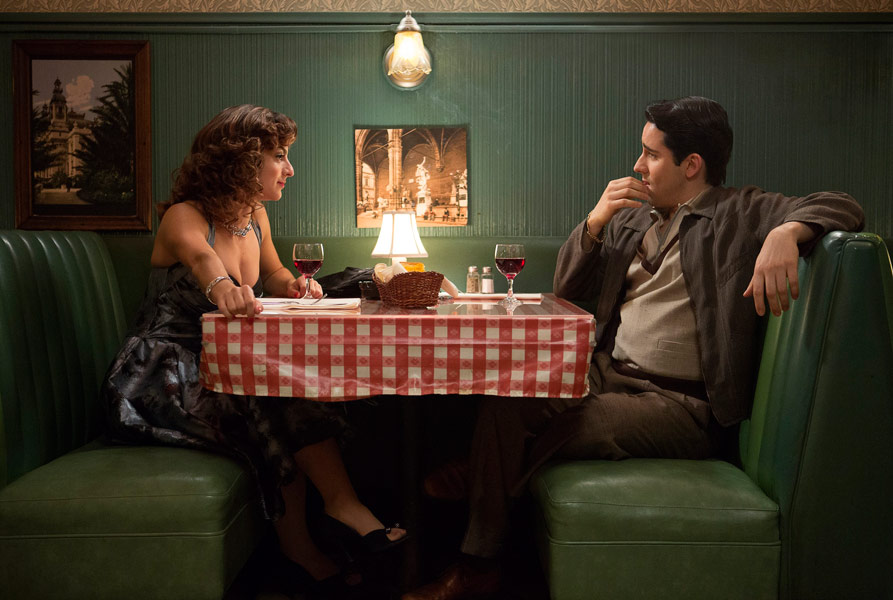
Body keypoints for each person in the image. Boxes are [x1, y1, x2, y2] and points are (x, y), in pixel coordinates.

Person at [402, 96, 864, 600]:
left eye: (651, 154)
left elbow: (843, 205)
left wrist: (786, 232)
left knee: (577, 425)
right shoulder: (633, 219)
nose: (638, 165)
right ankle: (486, 488)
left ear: (692, 164)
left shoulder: (740, 211)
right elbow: (567, 286)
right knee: (505, 403)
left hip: (681, 407)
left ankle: (477, 550)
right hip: (607, 376)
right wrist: (595, 221)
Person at [101, 105, 406, 598]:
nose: (290, 169)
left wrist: (295, 285)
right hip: (164, 373)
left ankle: (317, 535)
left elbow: (274, 274)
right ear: (242, 160)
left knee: (280, 385)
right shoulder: (184, 215)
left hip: (226, 362)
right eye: (279, 156)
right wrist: (222, 287)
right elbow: (203, 260)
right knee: (267, 395)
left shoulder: (254, 215)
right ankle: (329, 523)